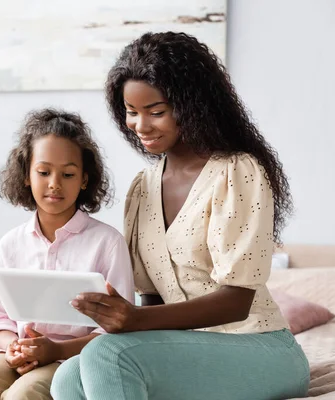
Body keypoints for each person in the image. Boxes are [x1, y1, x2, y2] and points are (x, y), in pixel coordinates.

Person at [51, 32, 310, 400]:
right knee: (68, 378)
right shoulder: (143, 187)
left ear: (192, 105)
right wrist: (123, 319)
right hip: (185, 350)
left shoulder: (236, 171)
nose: (141, 126)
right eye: (131, 112)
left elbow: (237, 301)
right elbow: (152, 297)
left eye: (156, 112)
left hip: (259, 347)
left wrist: (135, 323)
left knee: (107, 354)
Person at [0, 109, 134, 400]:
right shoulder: (10, 244)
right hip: (16, 352)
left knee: (24, 394)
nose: (54, 184)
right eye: (44, 172)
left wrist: (56, 349)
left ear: (84, 179)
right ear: (26, 176)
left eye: (68, 174)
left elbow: (114, 329)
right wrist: (14, 346)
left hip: (70, 356)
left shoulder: (107, 243)